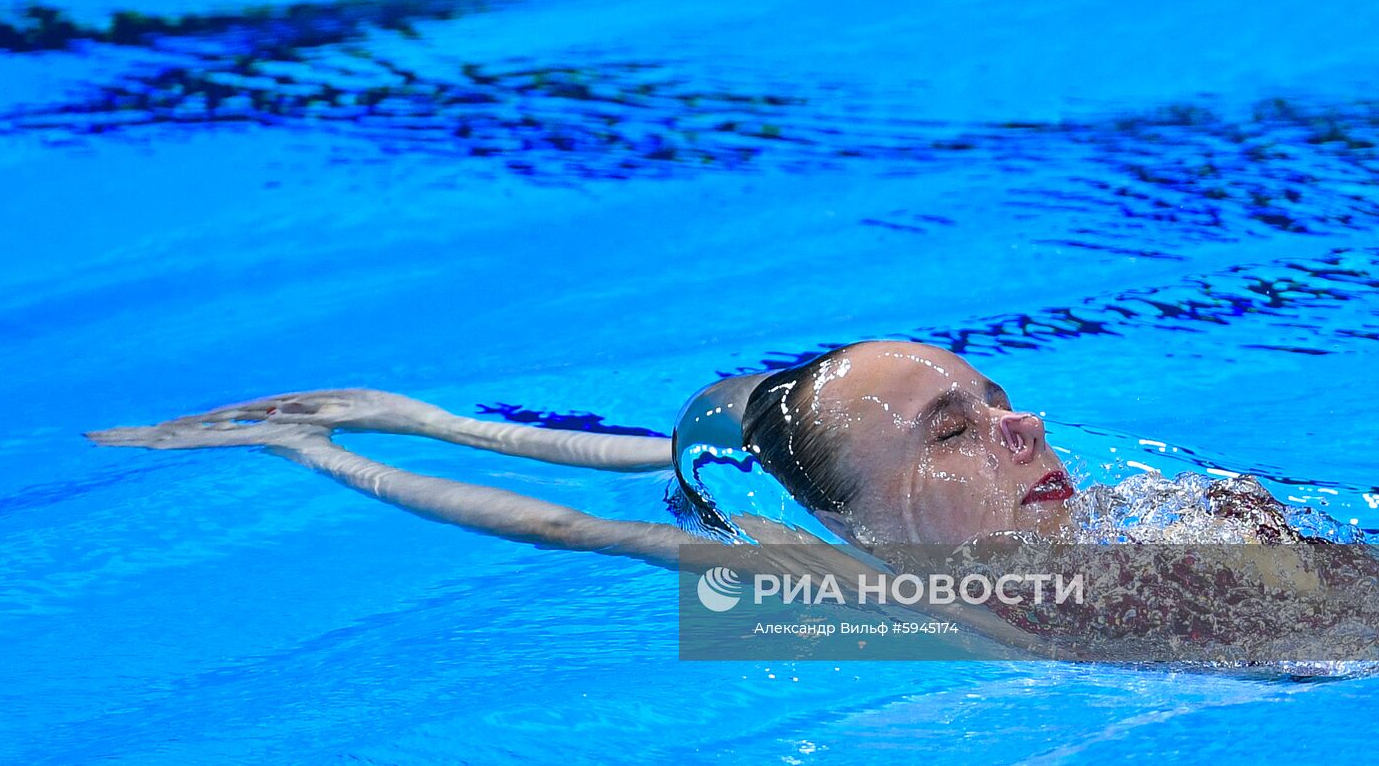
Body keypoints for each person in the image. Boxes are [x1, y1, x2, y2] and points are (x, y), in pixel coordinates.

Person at [87, 341, 1076, 566]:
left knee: (675, 450)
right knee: (668, 468)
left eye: (997, 403)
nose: (1022, 426)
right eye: (955, 426)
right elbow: (563, 525)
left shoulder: (1118, 508)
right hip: (752, 466)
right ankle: (403, 413)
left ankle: (412, 411)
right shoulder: (822, 572)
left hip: (754, 429)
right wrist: (325, 454)